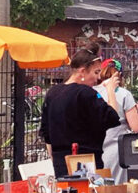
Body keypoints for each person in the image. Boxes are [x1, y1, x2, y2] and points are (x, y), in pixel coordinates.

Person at [40, 41, 121, 177]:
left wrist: (56, 161)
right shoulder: (85, 93)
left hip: (61, 163)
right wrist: (110, 90)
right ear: (82, 71)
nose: (97, 79)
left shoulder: (52, 93)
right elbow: (112, 117)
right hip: (87, 162)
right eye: (96, 72)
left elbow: (47, 135)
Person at [94, 58, 138, 183]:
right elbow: (136, 126)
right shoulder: (124, 94)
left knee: (96, 186)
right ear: (120, 75)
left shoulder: (92, 92)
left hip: (94, 147)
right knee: (115, 187)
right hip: (115, 150)